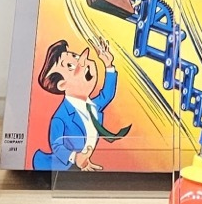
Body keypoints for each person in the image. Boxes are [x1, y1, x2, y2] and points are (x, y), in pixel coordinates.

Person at [30, 38, 128, 171]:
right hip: (65, 168)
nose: (81, 61)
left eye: (76, 57)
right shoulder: (61, 117)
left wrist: (108, 65)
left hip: (84, 167)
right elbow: (57, 145)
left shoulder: (92, 106)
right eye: (70, 66)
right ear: (62, 84)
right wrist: (75, 157)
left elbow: (107, 95)